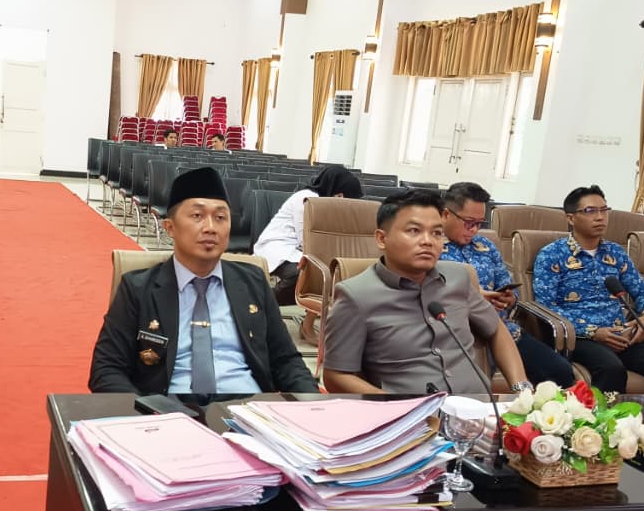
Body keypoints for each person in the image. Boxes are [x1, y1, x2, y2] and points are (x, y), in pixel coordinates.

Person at [89, 166, 318, 396]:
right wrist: (145, 412)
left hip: (248, 407)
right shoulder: (138, 289)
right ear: (170, 227)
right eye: (197, 216)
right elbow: (106, 369)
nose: (210, 228)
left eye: (220, 218)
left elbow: (287, 361)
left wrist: (313, 405)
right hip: (169, 409)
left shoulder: (253, 282)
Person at [322, 189, 528, 395]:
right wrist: (396, 405)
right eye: (414, 231)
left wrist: (521, 390)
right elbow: (336, 376)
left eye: (437, 233)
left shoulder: (458, 277)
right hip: (412, 411)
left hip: (479, 405)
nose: (428, 241)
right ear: (382, 239)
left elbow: (496, 328)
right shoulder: (356, 296)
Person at [533, 185, 644, 395]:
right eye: (590, 211)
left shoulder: (615, 253)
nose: (600, 217)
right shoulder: (551, 254)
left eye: (604, 210)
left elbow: (643, 292)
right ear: (571, 218)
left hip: (621, 336)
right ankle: (600, 417)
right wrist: (593, 332)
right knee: (612, 370)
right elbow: (545, 306)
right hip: (579, 338)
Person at [439, 182, 575, 386]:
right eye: (469, 222)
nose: (474, 230)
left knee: (560, 372)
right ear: (446, 215)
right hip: (459, 333)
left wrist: (508, 299)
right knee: (476, 385)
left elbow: (506, 284)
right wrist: (476, 297)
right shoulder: (430, 248)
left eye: (480, 223)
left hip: (502, 328)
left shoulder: (486, 246)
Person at [254, 164, 363, 307]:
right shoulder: (307, 198)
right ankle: (260, 300)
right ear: (338, 193)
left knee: (332, 273)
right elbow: (306, 240)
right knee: (303, 275)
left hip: (302, 250)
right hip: (279, 245)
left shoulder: (331, 205)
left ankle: (311, 314)